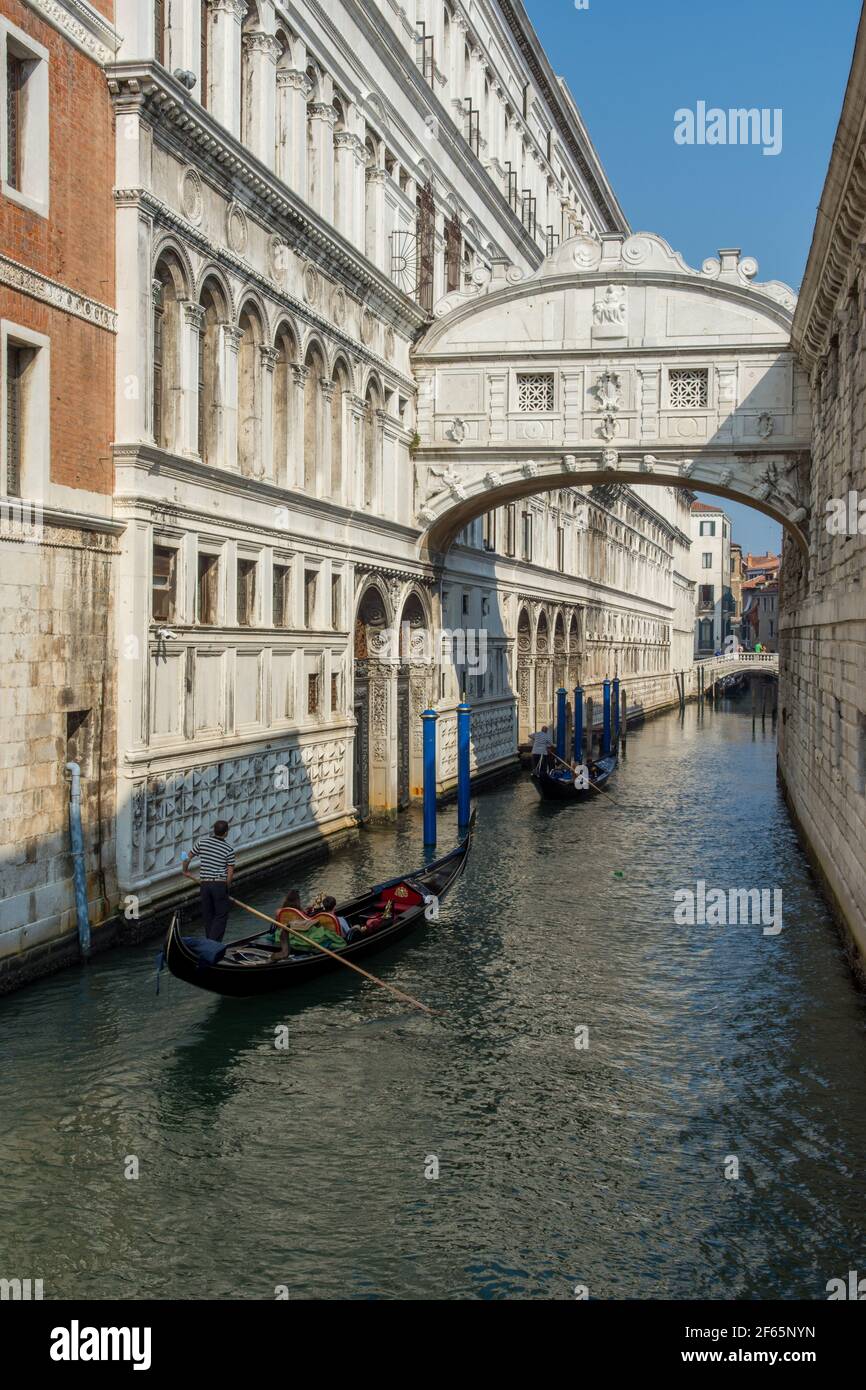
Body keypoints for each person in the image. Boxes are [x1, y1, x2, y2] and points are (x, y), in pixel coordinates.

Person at [182, 820, 236, 942]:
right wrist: (226, 888)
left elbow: (187, 857)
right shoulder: (229, 849)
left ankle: (209, 944)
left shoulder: (202, 843)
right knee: (221, 916)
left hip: (205, 885)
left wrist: (185, 870)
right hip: (219, 884)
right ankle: (211, 944)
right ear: (226, 833)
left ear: (214, 830)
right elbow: (230, 872)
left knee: (208, 915)